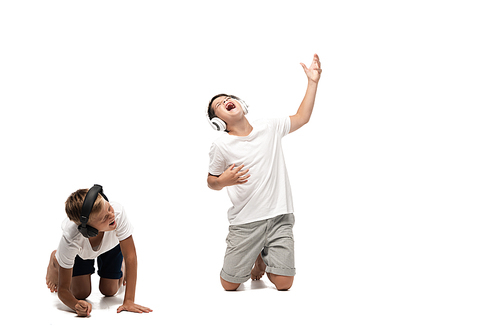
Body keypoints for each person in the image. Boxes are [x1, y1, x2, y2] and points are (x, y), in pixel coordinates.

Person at [206, 54, 322, 291]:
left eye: (228, 98)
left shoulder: (268, 127)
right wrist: (223, 180)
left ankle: (263, 256)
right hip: (246, 223)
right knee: (229, 285)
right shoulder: (221, 145)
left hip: (280, 216)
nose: (225, 101)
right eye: (219, 105)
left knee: (283, 284)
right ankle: (257, 253)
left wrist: (312, 82)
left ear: (241, 104)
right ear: (218, 122)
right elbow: (211, 181)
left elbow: (302, 117)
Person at [46, 185, 152, 316]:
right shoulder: (71, 239)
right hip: (81, 253)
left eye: (108, 207)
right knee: (80, 293)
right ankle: (56, 259)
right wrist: (75, 305)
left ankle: (121, 266)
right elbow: (63, 290)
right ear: (89, 229)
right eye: (104, 218)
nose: (111, 215)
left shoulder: (117, 213)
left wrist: (129, 301)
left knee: (110, 290)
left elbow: (130, 256)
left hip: (111, 247)